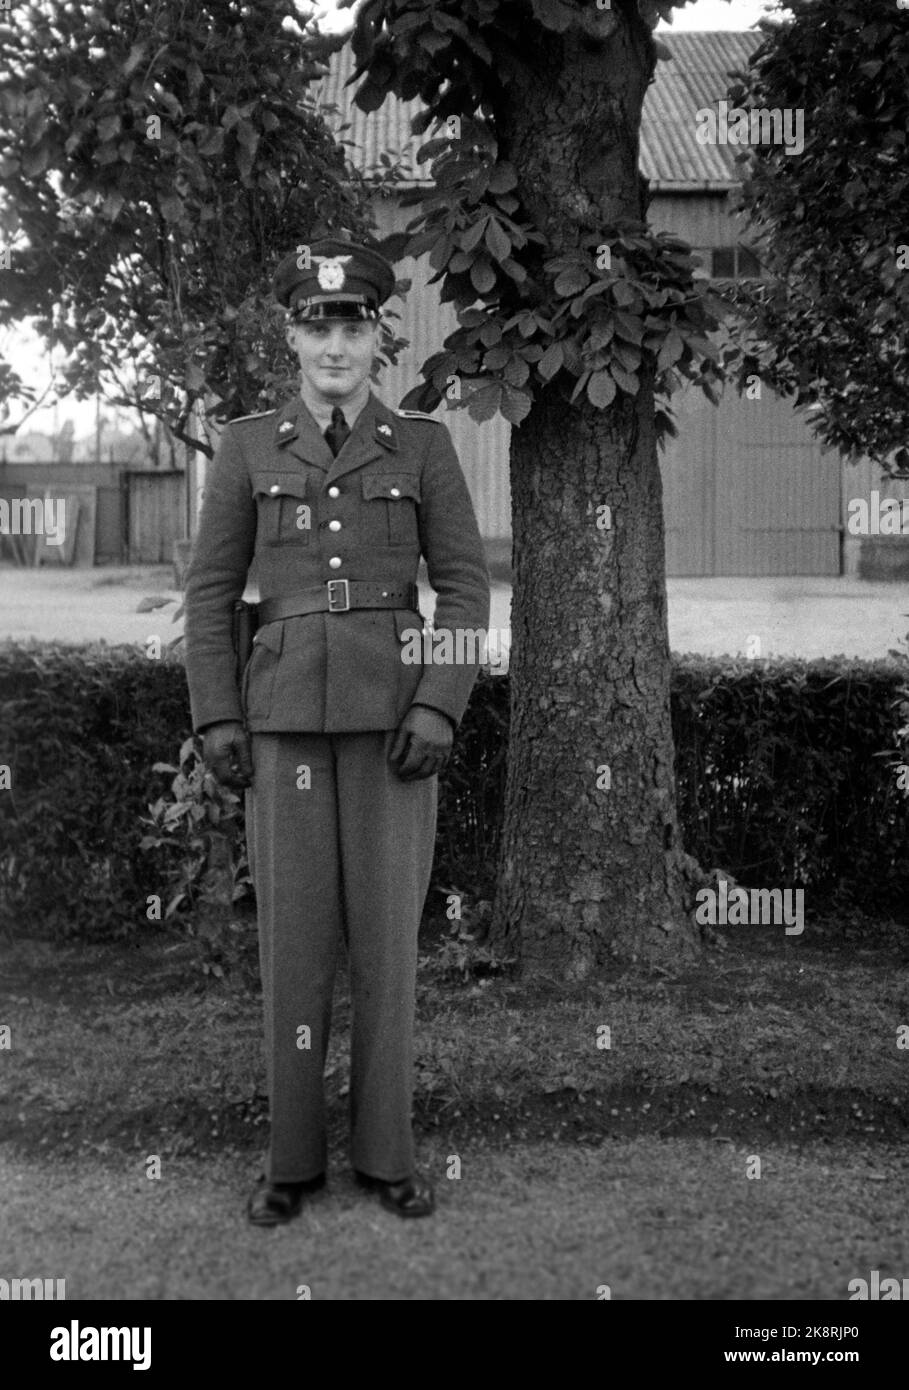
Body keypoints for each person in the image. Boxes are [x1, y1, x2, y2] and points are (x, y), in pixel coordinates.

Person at [183, 237, 490, 1225]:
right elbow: (211, 591)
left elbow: (470, 589)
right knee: (296, 945)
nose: (334, 345)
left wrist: (441, 702)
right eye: (317, 327)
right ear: (291, 335)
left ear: (376, 340)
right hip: (281, 726)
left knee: (390, 950)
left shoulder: (424, 447)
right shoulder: (245, 444)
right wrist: (220, 714)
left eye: (352, 327)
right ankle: (293, 1159)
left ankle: (388, 1155)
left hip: (396, 728)